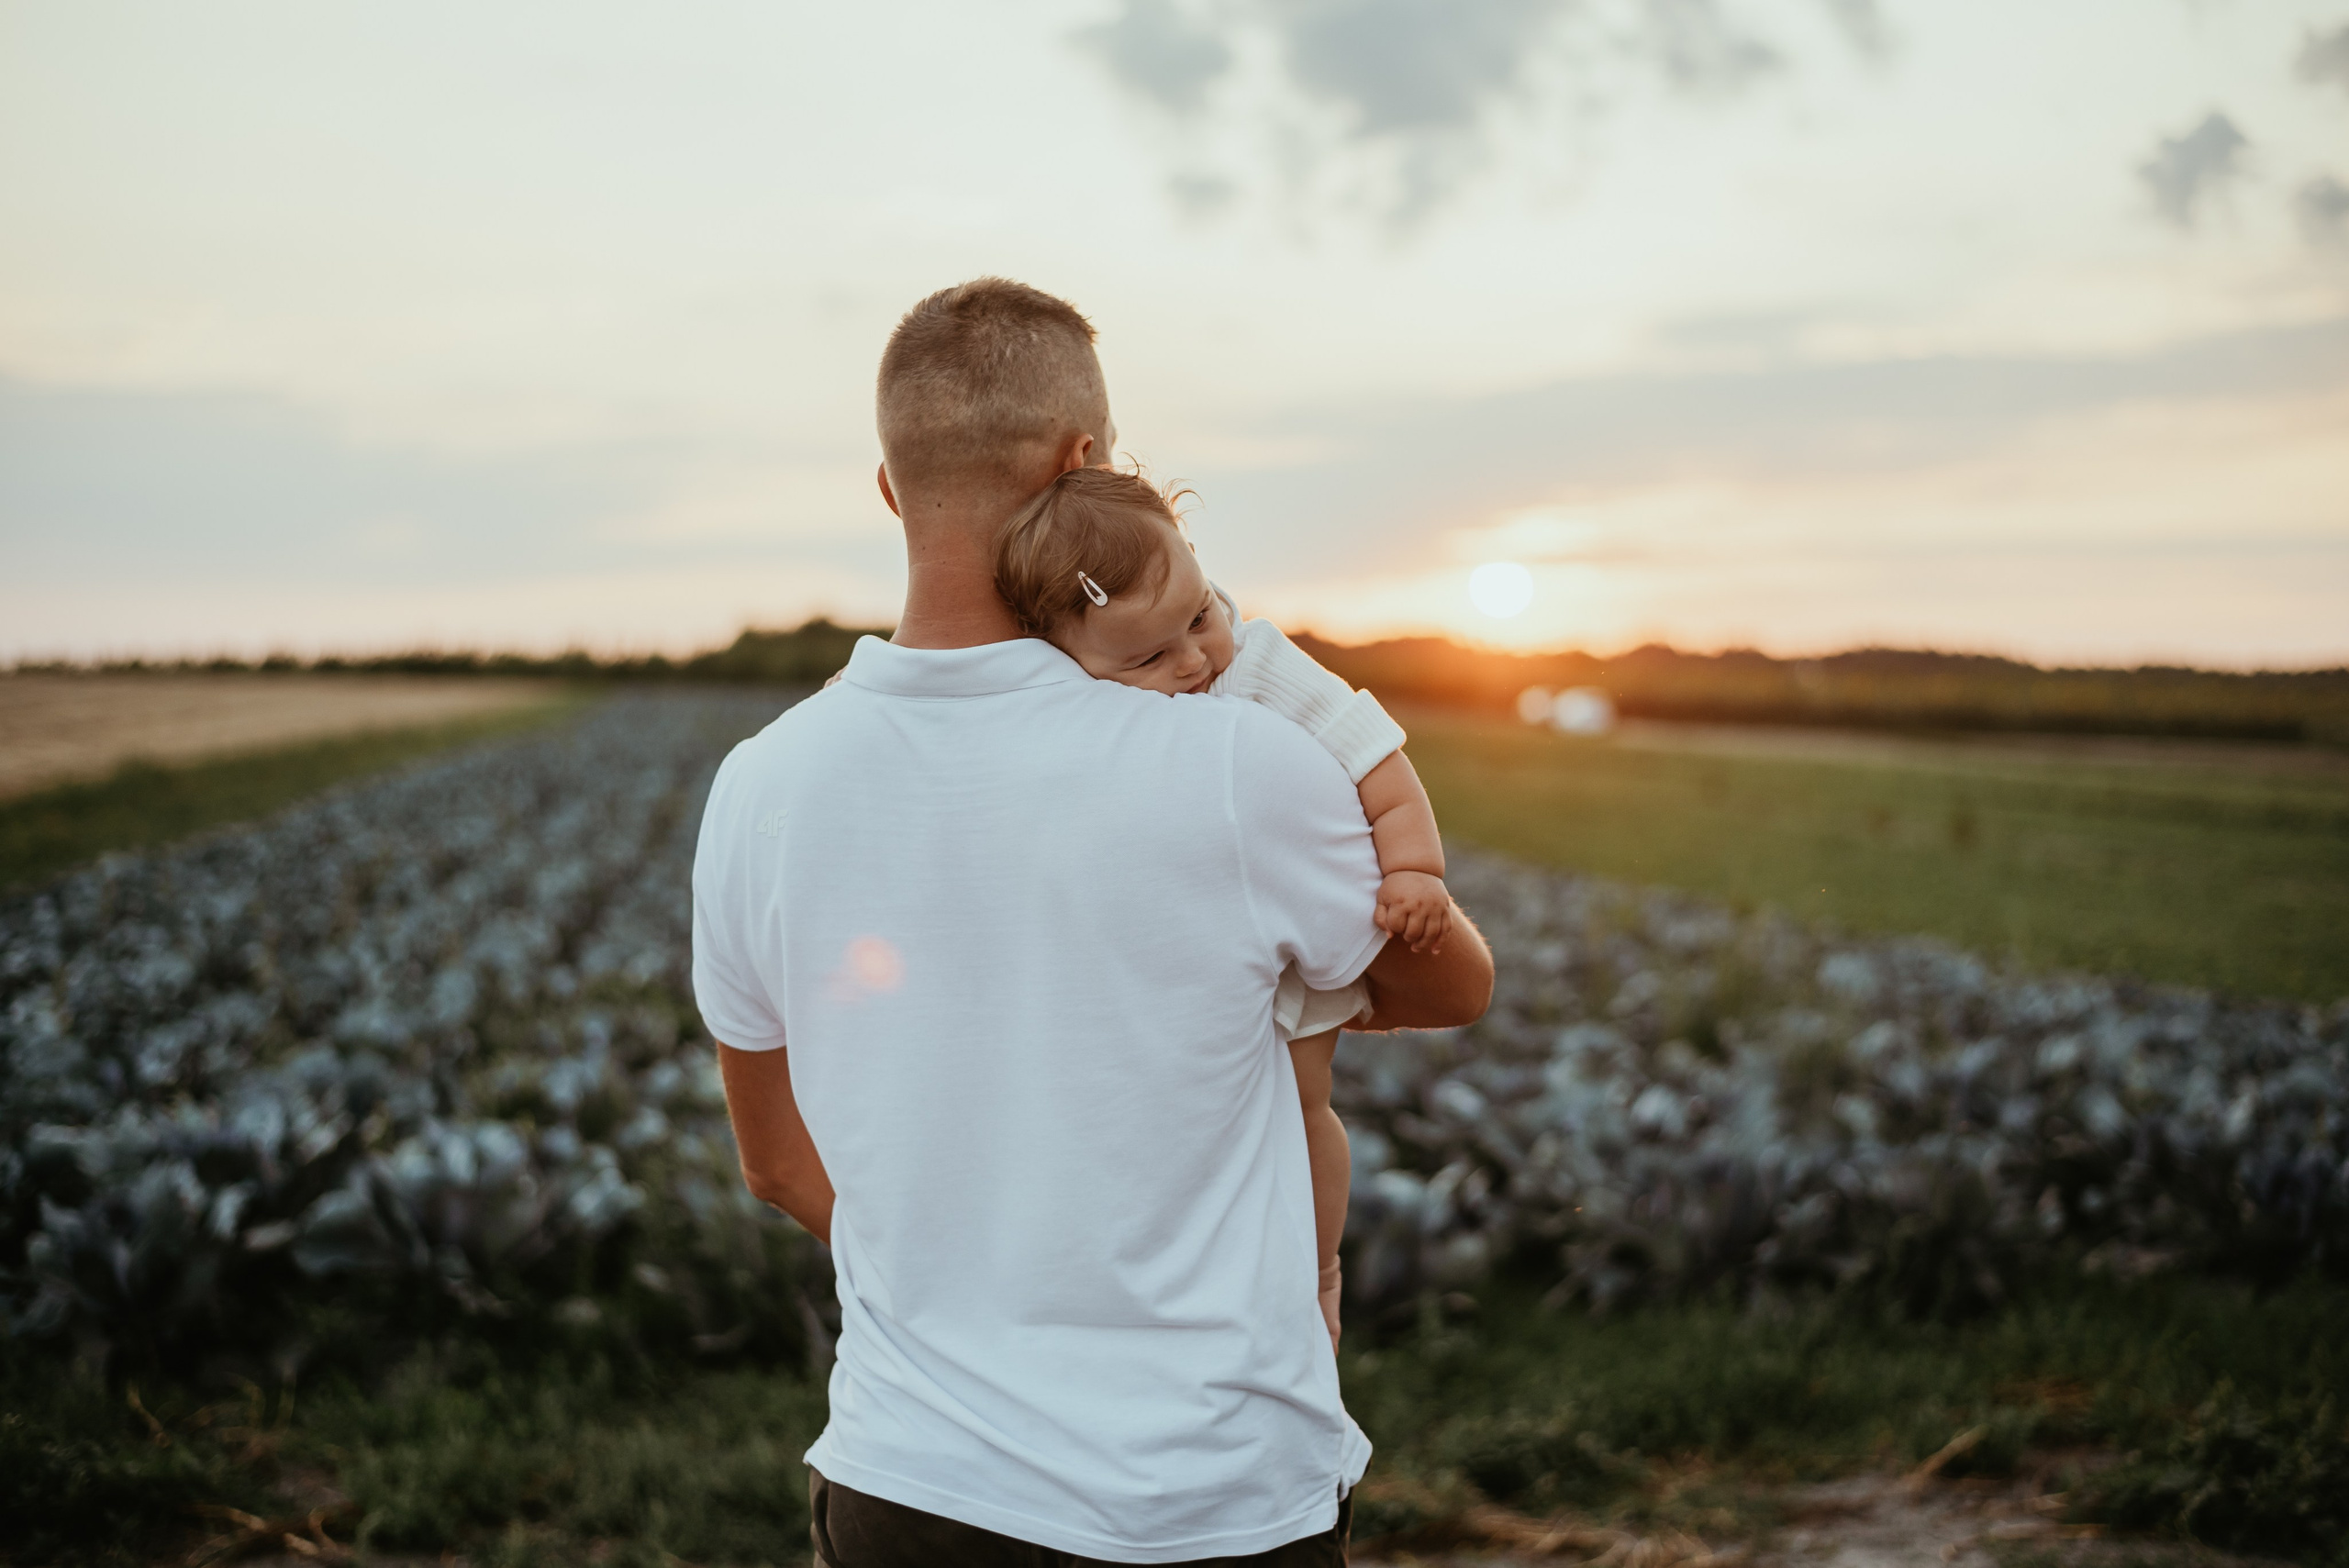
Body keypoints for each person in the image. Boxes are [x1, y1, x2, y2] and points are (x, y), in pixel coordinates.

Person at [693, 277, 1494, 1568]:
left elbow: (776, 1163)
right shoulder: (1240, 760)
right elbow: (1452, 990)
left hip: (910, 1487)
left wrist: (966, 1285)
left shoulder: (756, 789)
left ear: (892, 490)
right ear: (1085, 466)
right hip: (1211, 1500)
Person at [992, 463, 1454, 1355]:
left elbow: (1381, 767)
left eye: (1199, 617)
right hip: (1194, 962)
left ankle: (1317, 1275)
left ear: (1200, 565)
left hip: (1293, 947)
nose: (1196, 658)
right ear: (1063, 654)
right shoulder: (1070, 705)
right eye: (1150, 657)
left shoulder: (1267, 668)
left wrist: (1416, 874)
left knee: (1305, 1102)